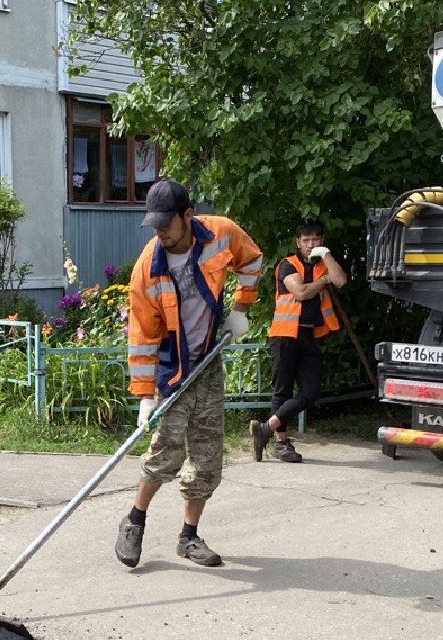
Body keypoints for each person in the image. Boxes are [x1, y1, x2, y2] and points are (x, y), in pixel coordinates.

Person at [115, 179, 264, 569]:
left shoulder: (220, 233)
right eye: (154, 225)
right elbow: (142, 336)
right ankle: (134, 522)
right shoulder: (148, 268)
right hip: (173, 365)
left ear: (187, 215)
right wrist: (146, 395)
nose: (160, 232)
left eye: (167, 224)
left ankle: (188, 537)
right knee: (166, 453)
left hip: (208, 362)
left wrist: (241, 308)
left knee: (207, 458)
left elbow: (252, 260)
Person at [249, 220, 347, 463]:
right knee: (282, 391)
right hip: (284, 334)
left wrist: (327, 256)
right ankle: (281, 444)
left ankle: (264, 429)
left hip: (308, 336)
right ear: (298, 242)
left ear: (321, 241)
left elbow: (341, 280)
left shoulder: (323, 264)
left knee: (312, 392)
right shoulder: (287, 265)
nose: (310, 244)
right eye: (306, 240)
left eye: (315, 240)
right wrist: (323, 282)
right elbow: (301, 292)